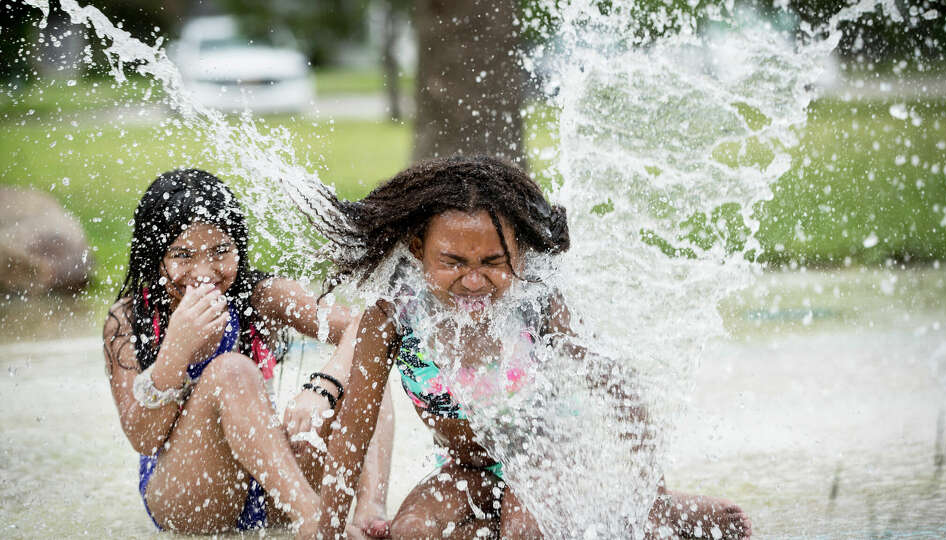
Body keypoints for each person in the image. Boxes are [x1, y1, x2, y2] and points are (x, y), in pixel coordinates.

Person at [308, 155, 753, 539]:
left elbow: (615, 382)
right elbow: (352, 434)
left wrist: (651, 490)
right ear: (418, 247)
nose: (474, 280)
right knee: (412, 532)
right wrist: (328, 532)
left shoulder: (535, 303)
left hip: (545, 463)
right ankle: (610, 522)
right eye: (453, 262)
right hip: (468, 469)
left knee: (523, 532)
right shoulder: (393, 317)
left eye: (494, 262)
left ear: (520, 253)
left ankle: (651, 515)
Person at [102, 169, 394, 539]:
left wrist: (327, 382)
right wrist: (175, 349)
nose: (204, 272)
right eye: (183, 255)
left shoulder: (262, 296)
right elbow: (143, 439)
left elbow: (372, 327)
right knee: (231, 371)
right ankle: (313, 519)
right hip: (192, 494)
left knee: (364, 366)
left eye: (220, 251)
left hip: (275, 483)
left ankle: (371, 512)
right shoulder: (130, 319)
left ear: (238, 245)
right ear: (154, 256)